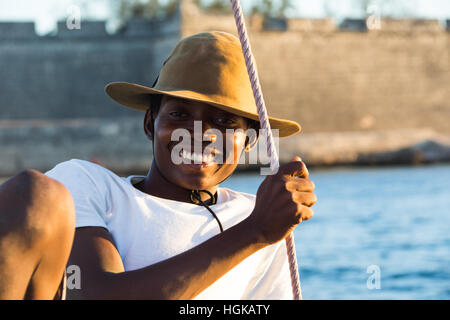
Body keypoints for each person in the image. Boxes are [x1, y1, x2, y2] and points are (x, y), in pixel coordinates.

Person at [0, 31, 316, 300]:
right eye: (179, 115)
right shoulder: (88, 183)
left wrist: (261, 228)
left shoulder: (262, 219)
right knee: (34, 193)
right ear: (150, 123)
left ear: (249, 141)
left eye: (223, 121)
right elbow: (94, 293)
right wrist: (253, 232)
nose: (199, 134)